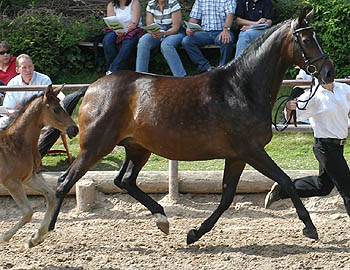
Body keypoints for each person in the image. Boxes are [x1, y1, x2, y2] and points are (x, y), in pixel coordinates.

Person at [265, 80, 350, 216]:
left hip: (338, 147)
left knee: (323, 187)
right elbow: (290, 119)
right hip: (325, 148)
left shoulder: (343, 89)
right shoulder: (311, 96)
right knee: (347, 189)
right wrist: (288, 107)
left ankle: (283, 190)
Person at [181, 0, 236, 73]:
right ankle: (204, 66)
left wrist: (226, 29)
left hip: (221, 31)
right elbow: (194, 17)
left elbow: (230, 14)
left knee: (227, 39)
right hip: (204, 33)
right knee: (187, 41)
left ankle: (223, 68)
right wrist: (190, 28)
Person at [136, 0, 186, 77]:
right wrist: (153, 32)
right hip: (157, 31)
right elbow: (149, 26)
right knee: (143, 41)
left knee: (166, 45)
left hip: (174, 32)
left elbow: (176, 27)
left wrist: (164, 33)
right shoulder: (151, 4)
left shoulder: (173, 3)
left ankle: (180, 77)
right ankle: (141, 76)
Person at [103, 0, 143, 74]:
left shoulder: (134, 3)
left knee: (128, 43)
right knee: (107, 41)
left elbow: (134, 23)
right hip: (116, 30)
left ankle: (113, 71)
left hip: (132, 30)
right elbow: (111, 22)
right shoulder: (111, 5)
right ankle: (118, 70)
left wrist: (125, 29)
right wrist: (117, 30)